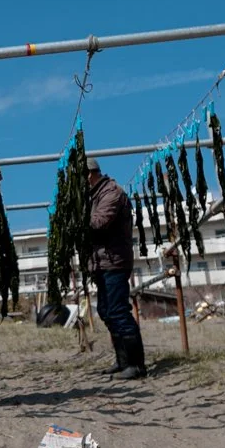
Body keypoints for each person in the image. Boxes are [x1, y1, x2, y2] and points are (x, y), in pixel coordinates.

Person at [87, 156, 147, 380]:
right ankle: (123, 362)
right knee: (106, 311)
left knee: (119, 312)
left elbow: (98, 224)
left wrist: (76, 216)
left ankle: (137, 366)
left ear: (89, 174)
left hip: (115, 262)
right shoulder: (94, 195)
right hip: (102, 263)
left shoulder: (112, 192)